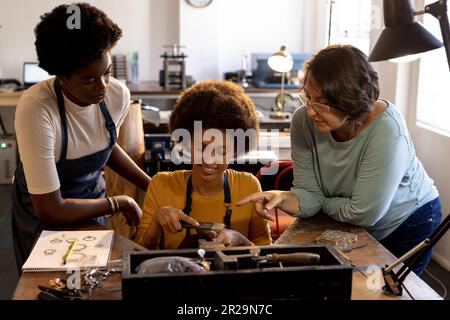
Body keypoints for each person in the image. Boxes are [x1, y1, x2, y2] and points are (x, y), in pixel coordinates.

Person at [237, 44, 442, 275]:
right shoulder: (304, 121)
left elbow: (364, 212)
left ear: (350, 99)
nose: (311, 110)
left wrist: (321, 202)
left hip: (407, 221)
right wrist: (282, 196)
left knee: (387, 290)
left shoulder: (387, 130)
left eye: (322, 102)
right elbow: (308, 193)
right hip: (352, 222)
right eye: (308, 98)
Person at [12, 3, 151, 270]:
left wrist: (152, 185)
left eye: (107, 73)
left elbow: (105, 145)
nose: (102, 87)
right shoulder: (37, 108)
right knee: (46, 280)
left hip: (93, 201)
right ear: (62, 77)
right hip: (45, 208)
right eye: (88, 80)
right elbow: (51, 208)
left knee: (94, 272)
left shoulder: (117, 94)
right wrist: (117, 202)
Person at [135, 80, 271, 249]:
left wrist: (240, 240)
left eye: (221, 150)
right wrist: (157, 221)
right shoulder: (161, 184)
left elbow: (265, 250)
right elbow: (139, 251)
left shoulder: (248, 186)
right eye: (202, 147)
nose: (209, 159)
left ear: (235, 150)